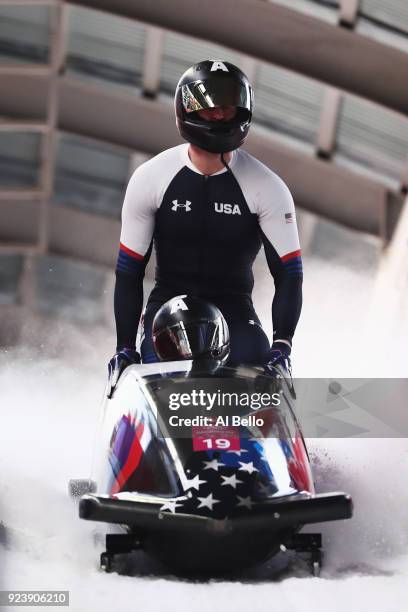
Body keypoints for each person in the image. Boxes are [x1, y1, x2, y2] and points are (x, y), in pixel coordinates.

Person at [108, 60, 302, 394]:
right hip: (168, 310)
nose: (219, 116)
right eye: (210, 109)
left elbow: (289, 274)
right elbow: (128, 271)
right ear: (188, 110)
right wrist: (125, 347)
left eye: (227, 109)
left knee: (257, 377)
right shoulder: (151, 177)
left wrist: (281, 348)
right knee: (167, 382)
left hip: (236, 311)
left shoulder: (267, 187)